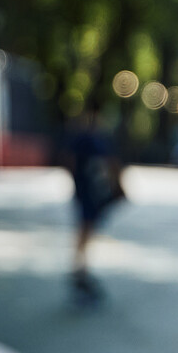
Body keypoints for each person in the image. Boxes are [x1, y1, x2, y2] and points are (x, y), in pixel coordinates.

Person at [62, 106, 124, 306]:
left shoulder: (93, 139)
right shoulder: (88, 139)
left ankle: (81, 267)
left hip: (91, 189)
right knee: (85, 227)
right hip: (88, 190)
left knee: (86, 228)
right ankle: (80, 268)